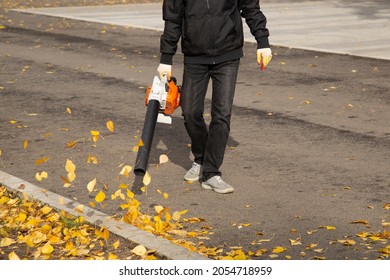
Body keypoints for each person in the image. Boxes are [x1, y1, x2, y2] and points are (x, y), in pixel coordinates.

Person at [157, 0, 272, 194]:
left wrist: (263, 42)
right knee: (190, 111)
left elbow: (250, 7)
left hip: (228, 54)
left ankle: (211, 173)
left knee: (222, 114)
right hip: (195, 56)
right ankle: (201, 158)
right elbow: (172, 18)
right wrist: (166, 58)